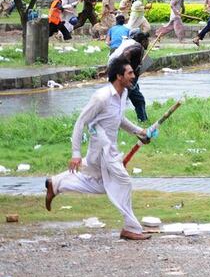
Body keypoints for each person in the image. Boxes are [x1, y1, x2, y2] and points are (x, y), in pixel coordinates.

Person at [44, 58, 158, 241]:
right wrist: (75, 154)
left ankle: (56, 184)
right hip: (101, 150)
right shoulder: (101, 97)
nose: (133, 76)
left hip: (109, 149)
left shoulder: (122, 95)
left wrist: (140, 132)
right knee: (124, 182)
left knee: (101, 185)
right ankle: (131, 228)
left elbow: (119, 119)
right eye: (129, 73)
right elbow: (81, 122)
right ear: (119, 76)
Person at [110, 30, 150, 122]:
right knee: (120, 101)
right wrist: (128, 69)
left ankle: (143, 121)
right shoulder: (138, 47)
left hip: (124, 76)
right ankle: (111, 121)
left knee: (139, 100)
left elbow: (115, 57)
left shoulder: (131, 45)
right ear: (143, 41)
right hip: (125, 78)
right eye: (148, 40)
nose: (149, 42)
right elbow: (125, 54)